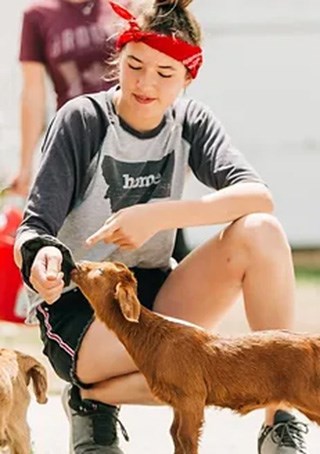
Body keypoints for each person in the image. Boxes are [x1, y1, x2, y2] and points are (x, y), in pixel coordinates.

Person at [14, 0, 308, 453]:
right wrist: (43, 261)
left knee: (261, 231)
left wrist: (159, 214)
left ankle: (280, 422)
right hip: (82, 307)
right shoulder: (83, 119)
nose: (145, 83)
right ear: (119, 59)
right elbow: (35, 229)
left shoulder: (190, 120)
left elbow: (258, 196)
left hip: (155, 298)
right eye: (134, 65)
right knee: (198, 373)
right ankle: (92, 401)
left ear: (189, 78)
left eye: (165, 74)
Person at [10, 0, 126, 197]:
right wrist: (25, 166)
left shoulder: (122, 5)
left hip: (129, 130)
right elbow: (33, 94)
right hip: (77, 139)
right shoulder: (37, 15)